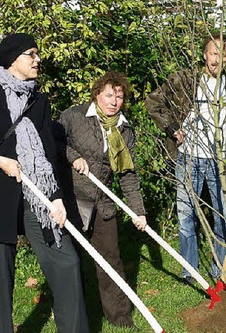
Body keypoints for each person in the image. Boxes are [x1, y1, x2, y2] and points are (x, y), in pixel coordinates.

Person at [0, 33, 89, 332]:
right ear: (12, 59)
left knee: (67, 265)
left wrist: (57, 197)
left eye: (38, 54)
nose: (38, 60)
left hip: (37, 198)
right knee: (0, 286)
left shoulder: (39, 101)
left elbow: (48, 153)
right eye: (31, 54)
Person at [145, 34, 226, 283]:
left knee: (224, 218)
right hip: (189, 158)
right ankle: (189, 269)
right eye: (214, 53)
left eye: (222, 54)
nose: (217, 59)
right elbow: (153, 102)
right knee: (186, 215)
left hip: (221, 161)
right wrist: (171, 129)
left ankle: (220, 268)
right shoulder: (185, 81)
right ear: (204, 55)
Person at [56, 71, 147, 327]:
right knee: (69, 261)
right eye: (109, 95)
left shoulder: (123, 129)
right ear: (97, 94)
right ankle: (73, 316)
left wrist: (137, 211)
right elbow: (52, 142)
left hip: (102, 202)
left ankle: (119, 317)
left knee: (111, 259)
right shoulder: (74, 117)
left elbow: (128, 174)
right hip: (71, 199)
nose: (114, 102)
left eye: (119, 97)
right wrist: (73, 156)